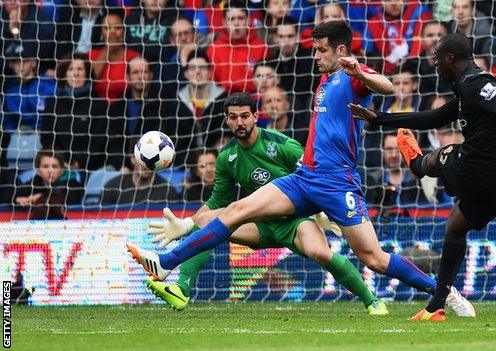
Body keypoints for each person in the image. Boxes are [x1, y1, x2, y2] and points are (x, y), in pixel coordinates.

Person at [127, 21, 475, 318]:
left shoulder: (352, 75)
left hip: (338, 184)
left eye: (321, 50)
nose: (315, 55)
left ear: (339, 51)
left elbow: (385, 87)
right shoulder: (323, 85)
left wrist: (361, 72)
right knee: (235, 210)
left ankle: (443, 291)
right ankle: (166, 262)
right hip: (304, 178)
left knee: (374, 258)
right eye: (314, 49)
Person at [348, 33, 496, 321]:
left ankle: (418, 163)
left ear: (450, 59)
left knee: (443, 153)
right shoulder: (465, 89)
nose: (434, 64)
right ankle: (436, 306)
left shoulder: (475, 83)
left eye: (437, 59)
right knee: (455, 226)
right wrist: (380, 118)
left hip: (480, 169)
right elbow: (433, 118)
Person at [144, 93, 387, 314]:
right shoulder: (227, 157)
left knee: (320, 253)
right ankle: (182, 290)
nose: (240, 122)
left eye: (245, 116)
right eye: (233, 117)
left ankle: (371, 300)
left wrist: (323, 211)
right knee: (208, 220)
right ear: (227, 121)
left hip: (295, 221)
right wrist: (188, 223)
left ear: (256, 117)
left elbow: (317, 177)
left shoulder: (282, 145)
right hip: (258, 224)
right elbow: (218, 201)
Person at [13, 151, 83, 219]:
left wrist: (41, 198)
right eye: (45, 166)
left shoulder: (72, 185)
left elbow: (69, 203)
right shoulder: (32, 184)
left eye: (54, 166)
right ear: (38, 171)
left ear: (61, 170)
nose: (50, 171)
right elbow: (11, 197)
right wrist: (18, 199)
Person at [101, 154, 179, 205]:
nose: (147, 164)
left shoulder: (168, 191)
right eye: (143, 158)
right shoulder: (111, 187)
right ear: (133, 159)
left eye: (153, 159)